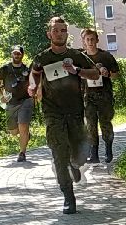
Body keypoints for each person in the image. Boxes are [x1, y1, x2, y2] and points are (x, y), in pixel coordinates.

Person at [30, 16, 96, 214]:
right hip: (53, 113)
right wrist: (33, 86)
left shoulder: (76, 55)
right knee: (59, 154)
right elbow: (34, 73)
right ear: (49, 34)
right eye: (55, 30)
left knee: (80, 154)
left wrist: (77, 71)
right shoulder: (42, 58)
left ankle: (75, 164)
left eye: (63, 30)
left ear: (67, 34)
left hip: (75, 112)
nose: (59, 34)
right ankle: (68, 196)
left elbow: (95, 73)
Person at [79, 27, 122, 164]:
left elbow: (117, 74)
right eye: (87, 39)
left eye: (92, 39)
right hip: (88, 96)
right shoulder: (80, 58)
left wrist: (108, 74)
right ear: (84, 41)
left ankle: (108, 150)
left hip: (104, 96)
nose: (90, 42)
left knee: (105, 123)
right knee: (90, 124)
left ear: (97, 40)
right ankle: (94, 154)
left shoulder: (106, 56)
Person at [0, 44, 34, 162]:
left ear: (22, 55)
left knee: (23, 126)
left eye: (18, 53)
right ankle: (26, 135)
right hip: (11, 103)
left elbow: (33, 82)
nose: (16, 55)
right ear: (11, 54)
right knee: (13, 131)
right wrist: (1, 96)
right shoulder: (5, 68)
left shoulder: (26, 69)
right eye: (14, 53)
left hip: (25, 101)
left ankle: (22, 153)